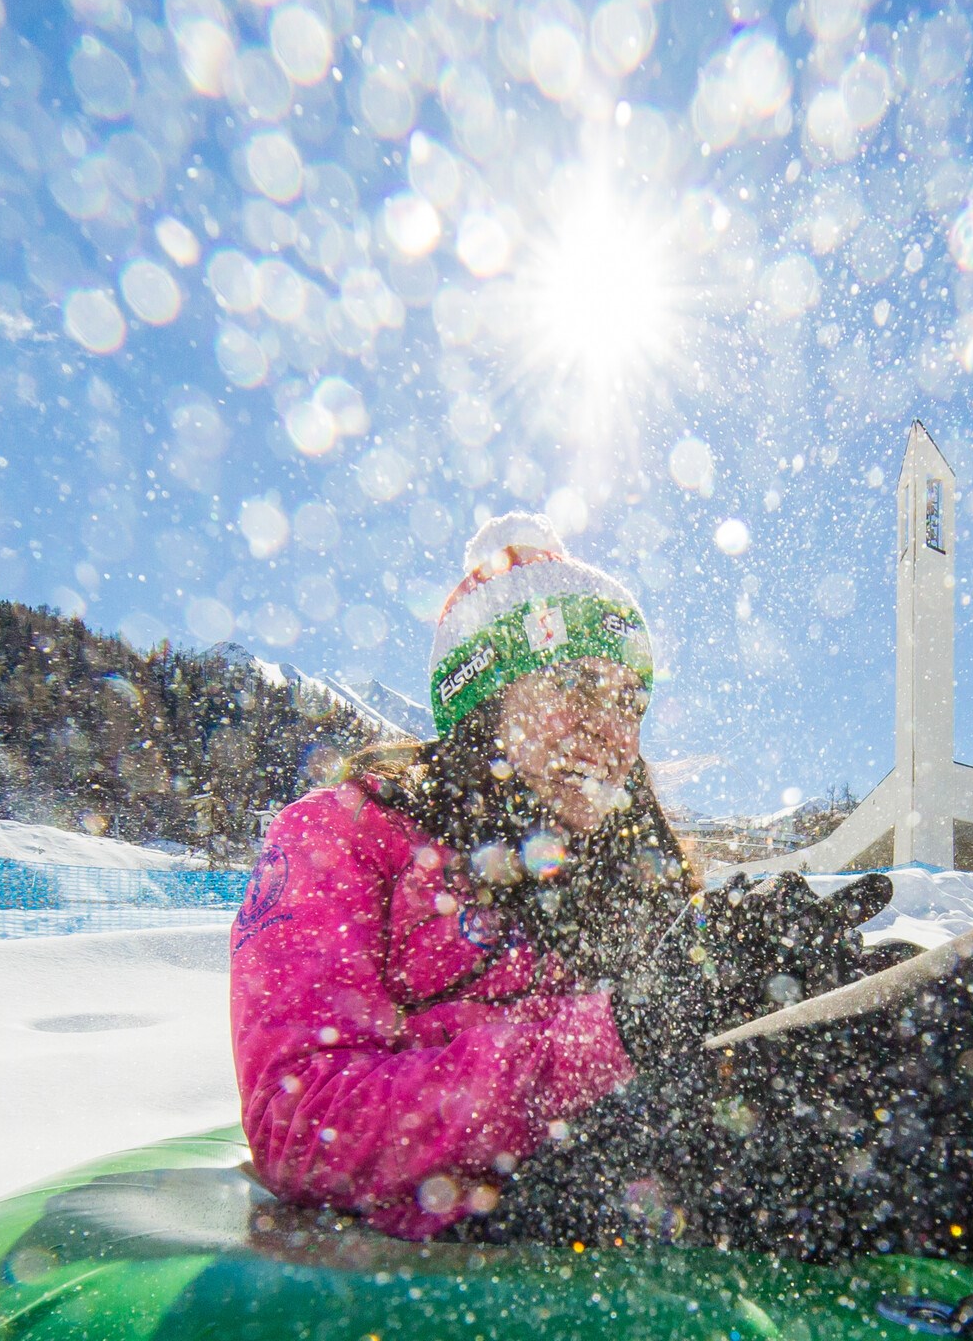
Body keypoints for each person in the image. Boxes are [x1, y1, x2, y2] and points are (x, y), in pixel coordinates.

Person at [228, 513, 888, 1239]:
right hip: (504, 1210)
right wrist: (625, 1026)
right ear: (485, 703)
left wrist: (775, 981)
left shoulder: (627, 864)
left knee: (889, 1021)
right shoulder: (344, 834)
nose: (612, 732)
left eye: (630, 702)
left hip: (650, 1171)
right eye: (575, 685)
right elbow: (300, 1122)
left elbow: (695, 1050)